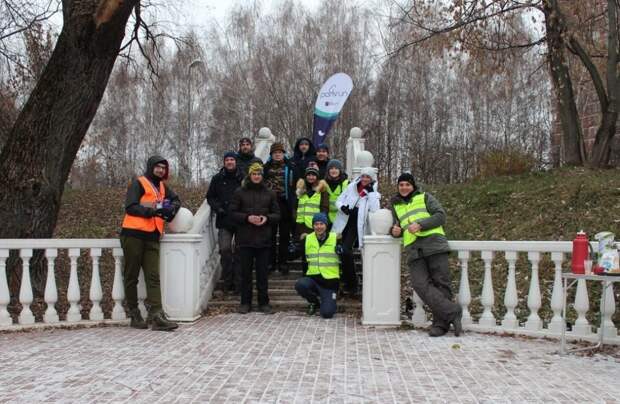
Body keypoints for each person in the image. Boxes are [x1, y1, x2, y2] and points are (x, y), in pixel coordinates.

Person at [389, 173, 462, 337]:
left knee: (441, 284)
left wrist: (421, 225)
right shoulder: (395, 205)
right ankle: (453, 311)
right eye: (401, 185)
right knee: (419, 284)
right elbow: (396, 226)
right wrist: (394, 231)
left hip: (434, 244)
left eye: (407, 184)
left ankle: (440, 325)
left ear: (413, 186)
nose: (404, 187)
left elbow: (440, 216)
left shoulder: (425, 197)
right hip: (414, 249)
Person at [120, 156, 180, 331]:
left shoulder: (162, 186)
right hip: (134, 234)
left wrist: (172, 209)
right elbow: (130, 206)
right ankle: (134, 313)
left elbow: (176, 199)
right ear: (150, 167)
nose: (161, 170)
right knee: (131, 275)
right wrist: (153, 211)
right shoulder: (139, 183)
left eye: (163, 168)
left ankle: (157, 315)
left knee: (153, 277)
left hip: (153, 236)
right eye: (158, 167)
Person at [229, 162, 280, 314]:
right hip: (245, 240)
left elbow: (277, 214)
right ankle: (245, 303)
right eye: (254, 174)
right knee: (245, 274)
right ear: (249, 175)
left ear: (262, 176)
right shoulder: (240, 192)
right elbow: (232, 212)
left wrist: (267, 218)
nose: (257, 176)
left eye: (259, 174)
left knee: (262, 274)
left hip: (263, 240)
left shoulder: (270, 193)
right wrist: (247, 217)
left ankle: (264, 303)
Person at [332, 167, 381, 297]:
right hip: (343, 221)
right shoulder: (351, 186)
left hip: (356, 225)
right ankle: (342, 281)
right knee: (337, 251)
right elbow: (339, 200)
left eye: (368, 177)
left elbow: (375, 210)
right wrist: (342, 207)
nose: (365, 179)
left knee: (346, 251)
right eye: (363, 176)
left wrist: (370, 194)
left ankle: (353, 283)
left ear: (372, 179)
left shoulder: (373, 192)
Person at [206, 151, 244, 293]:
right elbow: (210, 197)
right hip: (224, 220)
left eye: (232, 159)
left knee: (240, 252)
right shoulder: (217, 178)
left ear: (235, 162)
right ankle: (227, 282)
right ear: (224, 162)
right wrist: (218, 208)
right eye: (227, 159)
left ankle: (238, 284)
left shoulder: (243, 177)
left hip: (240, 220)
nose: (229, 162)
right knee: (225, 250)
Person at [294, 213, 342, 318]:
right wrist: (293, 249)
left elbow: (345, 253)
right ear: (313, 226)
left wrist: (342, 251)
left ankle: (328, 300)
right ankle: (314, 302)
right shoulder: (308, 238)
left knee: (327, 313)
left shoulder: (335, 238)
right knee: (300, 285)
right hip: (313, 280)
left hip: (329, 284)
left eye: (321, 224)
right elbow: (295, 253)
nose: (319, 227)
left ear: (326, 225)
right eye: (316, 224)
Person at [263, 142, 296, 274]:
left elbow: (295, 186)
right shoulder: (265, 167)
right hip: (270, 205)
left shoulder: (290, 166)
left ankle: (283, 262)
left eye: (280, 152)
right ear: (271, 154)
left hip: (285, 203)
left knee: (284, 235)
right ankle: (271, 262)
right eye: (275, 152)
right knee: (270, 235)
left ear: (283, 154)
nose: (277, 154)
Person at [294, 166, 330, 274]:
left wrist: (320, 224)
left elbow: (325, 207)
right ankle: (305, 275)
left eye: (313, 175)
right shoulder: (300, 191)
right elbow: (295, 207)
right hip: (302, 227)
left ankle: (316, 276)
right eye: (309, 175)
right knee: (305, 253)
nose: (311, 177)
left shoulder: (322, 191)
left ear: (317, 177)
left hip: (317, 227)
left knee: (315, 254)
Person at [324, 159, 349, 225]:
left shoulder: (346, 183)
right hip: (327, 218)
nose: (333, 171)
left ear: (340, 171)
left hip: (342, 217)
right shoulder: (323, 184)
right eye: (331, 168)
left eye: (336, 168)